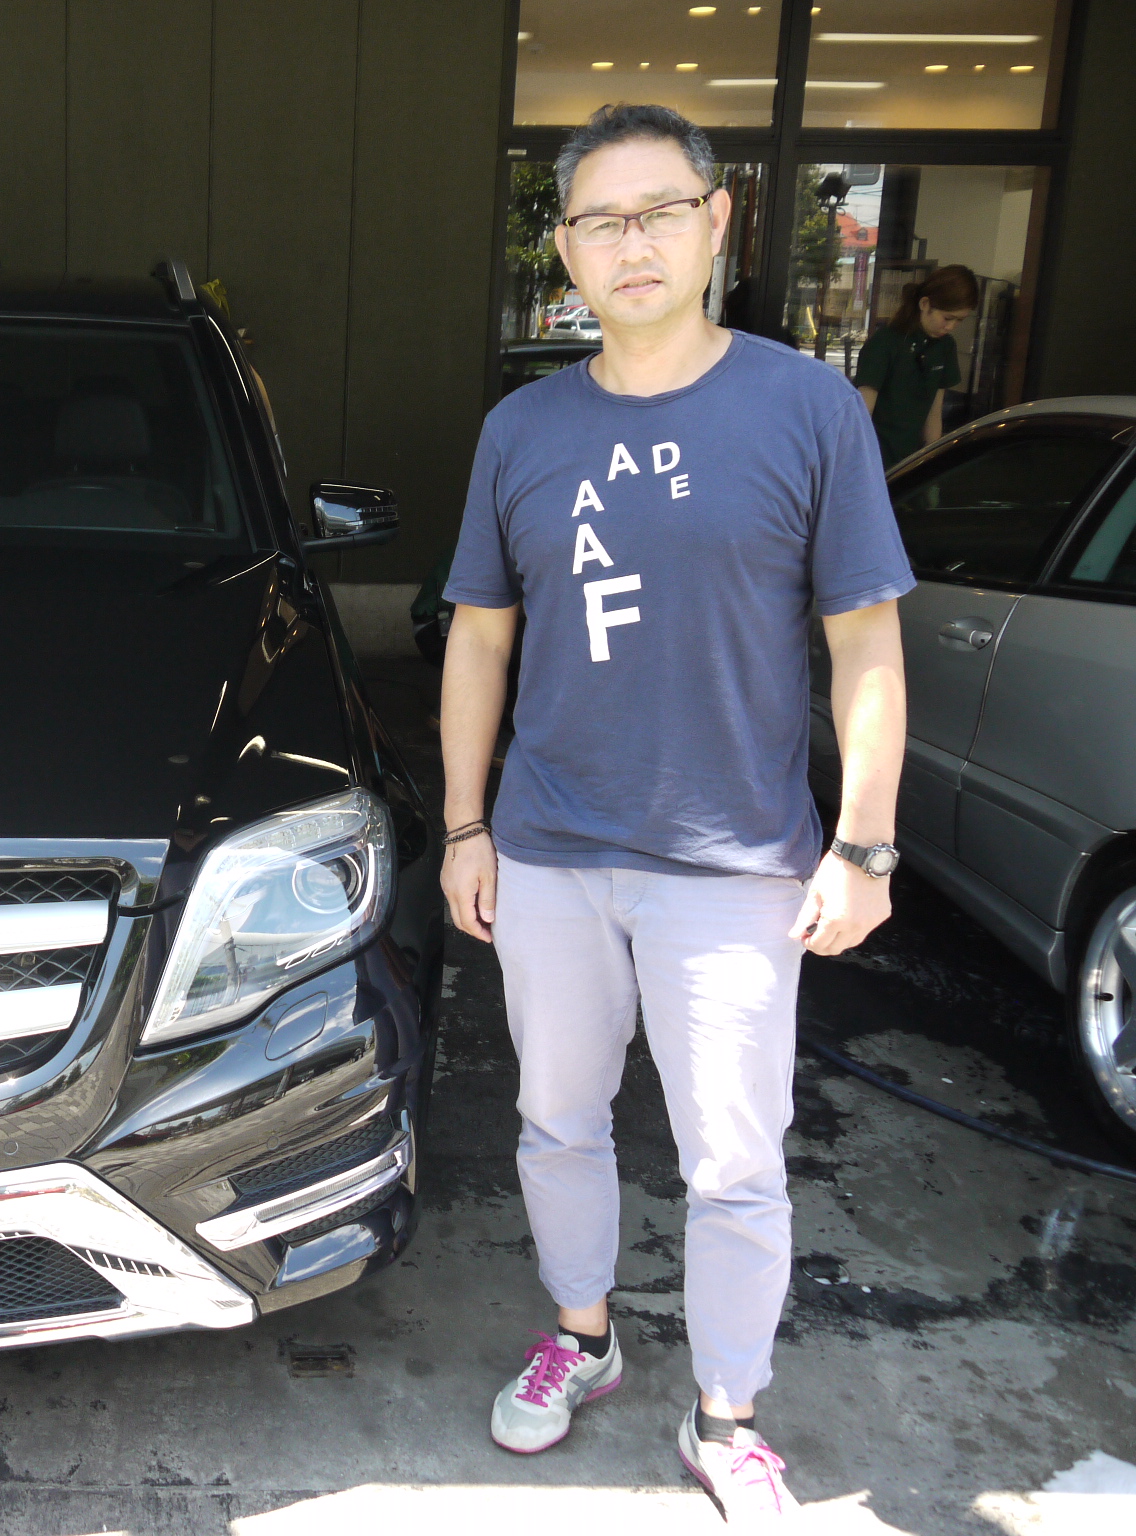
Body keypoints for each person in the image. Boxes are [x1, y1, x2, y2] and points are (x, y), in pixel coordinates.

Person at [439, 103, 911, 1522]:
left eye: (659, 212)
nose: (630, 243)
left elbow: (865, 642)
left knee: (735, 1161)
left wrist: (864, 843)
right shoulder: (522, 428)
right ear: (565, 249)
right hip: (551, 849)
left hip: (733, 860)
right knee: (555, 1121)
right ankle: (582, 1338)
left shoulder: (806, 409)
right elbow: (478, 638)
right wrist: (463, 825)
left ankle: (727, 1417)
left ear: (717, 223)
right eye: (600, 219)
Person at [854, 264, 980, 466]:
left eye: (959, 320)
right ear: (925, 304)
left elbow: (934, 411)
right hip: (876, 454)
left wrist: (932, 458)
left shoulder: (945, 346)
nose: (950, 327)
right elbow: (862, 412)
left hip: (911, 456)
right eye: (947, 318)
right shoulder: (886, 342)